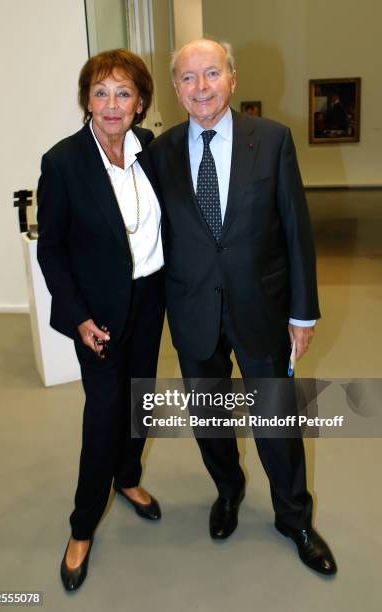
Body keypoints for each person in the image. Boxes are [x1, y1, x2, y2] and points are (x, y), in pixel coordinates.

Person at [149, 38, 337, 575]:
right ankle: (227, 491)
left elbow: (297, 232)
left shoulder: (272, 141)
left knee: (276, 420)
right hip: (192, 312)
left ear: (232, 79)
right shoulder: (159, 155)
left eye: (211, 74)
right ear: (177, 89)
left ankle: (294, 517)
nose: (201, 87)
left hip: (262, 307)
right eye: (188, 77)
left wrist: (303, 312)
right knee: (209, 417)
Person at [37, 49, 165, 592]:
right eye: (101, 92)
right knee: (105, 413)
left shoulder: (150, 150)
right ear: (86, 99)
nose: (112, 105)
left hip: (151, 295)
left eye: (124, 93)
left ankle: (129, 477)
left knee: (141, 397)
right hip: (99, 316)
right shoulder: (64, 161)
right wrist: (79, 318)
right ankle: (83, 524)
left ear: (140, 103)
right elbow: (53, 252)